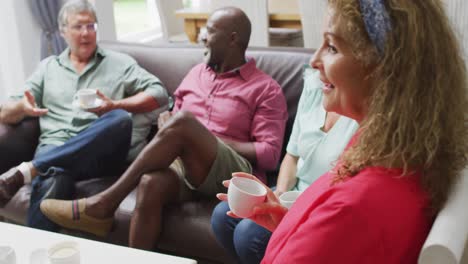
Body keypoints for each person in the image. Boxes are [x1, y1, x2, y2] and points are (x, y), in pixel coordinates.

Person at [216, 0, 467, 263]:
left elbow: (346, 222)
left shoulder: (354, 207)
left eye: (332, 47)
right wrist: (292, 225)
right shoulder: (393, 153)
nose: (314, 61)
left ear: (385, 70)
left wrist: (313, 232)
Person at [39, 6, 288, 248]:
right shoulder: (196, 73)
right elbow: (175, 113)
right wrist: (167, 120)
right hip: (185, 167)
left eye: (210, 31)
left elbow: (270, 154)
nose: (202, 36)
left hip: (233, 174)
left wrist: (201, 137)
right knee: (150, 183)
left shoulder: (265, 89)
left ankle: (103, 204)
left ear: (232, 39)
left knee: (184, 124)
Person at [0, 0, 168, 232]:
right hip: (55, 151)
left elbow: (159, 93)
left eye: (91, 26)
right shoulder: (48, 68)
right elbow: (4, 112)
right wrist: (22, 108)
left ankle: (28, 170)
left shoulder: (119, 63)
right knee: (56, 175)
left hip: (99, 156)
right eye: (78, 27)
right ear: (62, 31)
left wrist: (114, 104)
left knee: (119, 118)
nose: (86, 33)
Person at [210, 65, 359, 264]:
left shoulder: (364, 110)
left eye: (332, 47)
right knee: (223, 215)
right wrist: (279, 193)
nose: (315, 60)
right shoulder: (315, 84)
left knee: (248, 235)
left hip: (323, 207)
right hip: (293, 194)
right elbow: (292, 156)